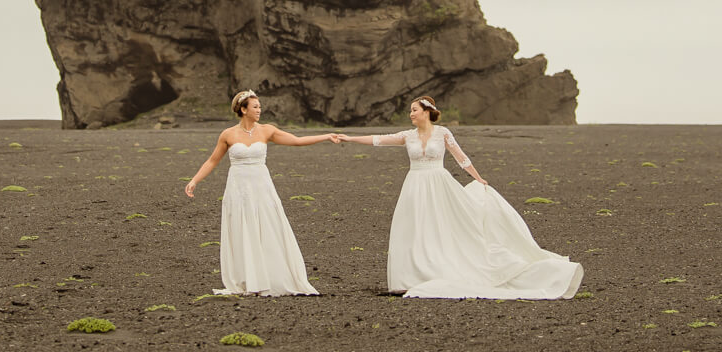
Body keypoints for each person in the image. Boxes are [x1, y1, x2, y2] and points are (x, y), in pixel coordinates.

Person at [340, 95, 584, 299]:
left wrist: (478, 178)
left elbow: (461, 157)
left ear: (426, 111)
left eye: (414, 110)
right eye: (410, 111)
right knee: (414, 227)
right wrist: (349, 138)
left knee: (443, 226)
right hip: (414, 184)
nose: (410, 114)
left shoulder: (442, 133)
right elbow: (378, 140)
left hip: (439, 182)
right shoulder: (408, 135)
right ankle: (409, 278)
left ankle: (441, 269)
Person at [185, 90, 340, 295]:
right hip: (238, 188)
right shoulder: (228, 134)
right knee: (242, 228)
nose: (259, 110)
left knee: (268, 226)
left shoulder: (267, 130)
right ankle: (248, 277)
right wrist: (194, 180)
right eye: (255, 107)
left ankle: (272, 275)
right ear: (243, 109)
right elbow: (212, 161)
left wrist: (326, 136)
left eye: (260, 107)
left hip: (261, 186)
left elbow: (297, 140)